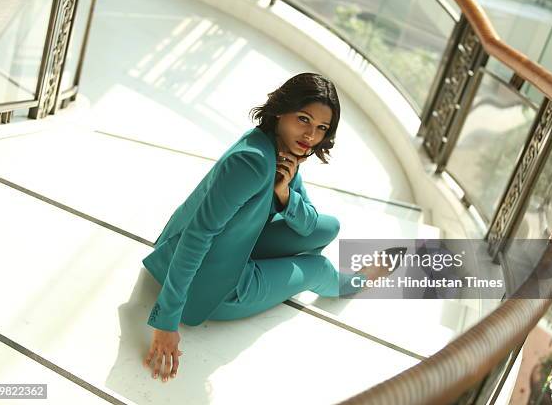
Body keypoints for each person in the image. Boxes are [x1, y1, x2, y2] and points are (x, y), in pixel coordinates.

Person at [142, 73, 396, 382]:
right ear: (280, 110)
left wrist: (285, 194)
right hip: (214, 286)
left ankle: (285, 269)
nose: (310, 136)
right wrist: (167, 322)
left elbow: (311, 223)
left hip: (235, 248)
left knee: (327, 228)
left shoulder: (279, 147)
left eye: (321, 128)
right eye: (303, 119)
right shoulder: (251, 163)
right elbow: (198, 236)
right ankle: (353, 283)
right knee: (316, 267)